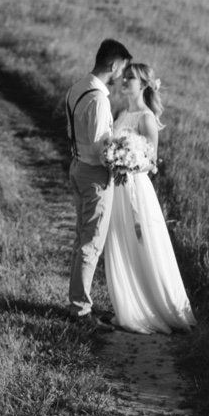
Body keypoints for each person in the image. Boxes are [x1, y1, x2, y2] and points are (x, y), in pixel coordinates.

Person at [103, 63, 196, 334]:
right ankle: (128, 308)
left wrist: (128, 161)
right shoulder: (121, 114)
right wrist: (114, 157)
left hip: (136, 189)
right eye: (124, 77)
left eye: (130, 78)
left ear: (143, 84)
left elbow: (152, 162)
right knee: (122, 243)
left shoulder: (146, 118)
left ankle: (159, 308)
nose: (124, 81)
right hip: (117, 188)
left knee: (145, 245)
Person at [65, 38, 132, 331]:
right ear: (113, 65)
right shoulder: (99, 99)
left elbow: (72, 132)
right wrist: (121, 160)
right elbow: (99, 148)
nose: (122, 74)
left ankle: (77, 302)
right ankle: (81, 311)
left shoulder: (77, 87)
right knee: (91, 243)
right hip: (94, 174)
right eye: (122, 68)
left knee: (82, 238)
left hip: (77, 166)